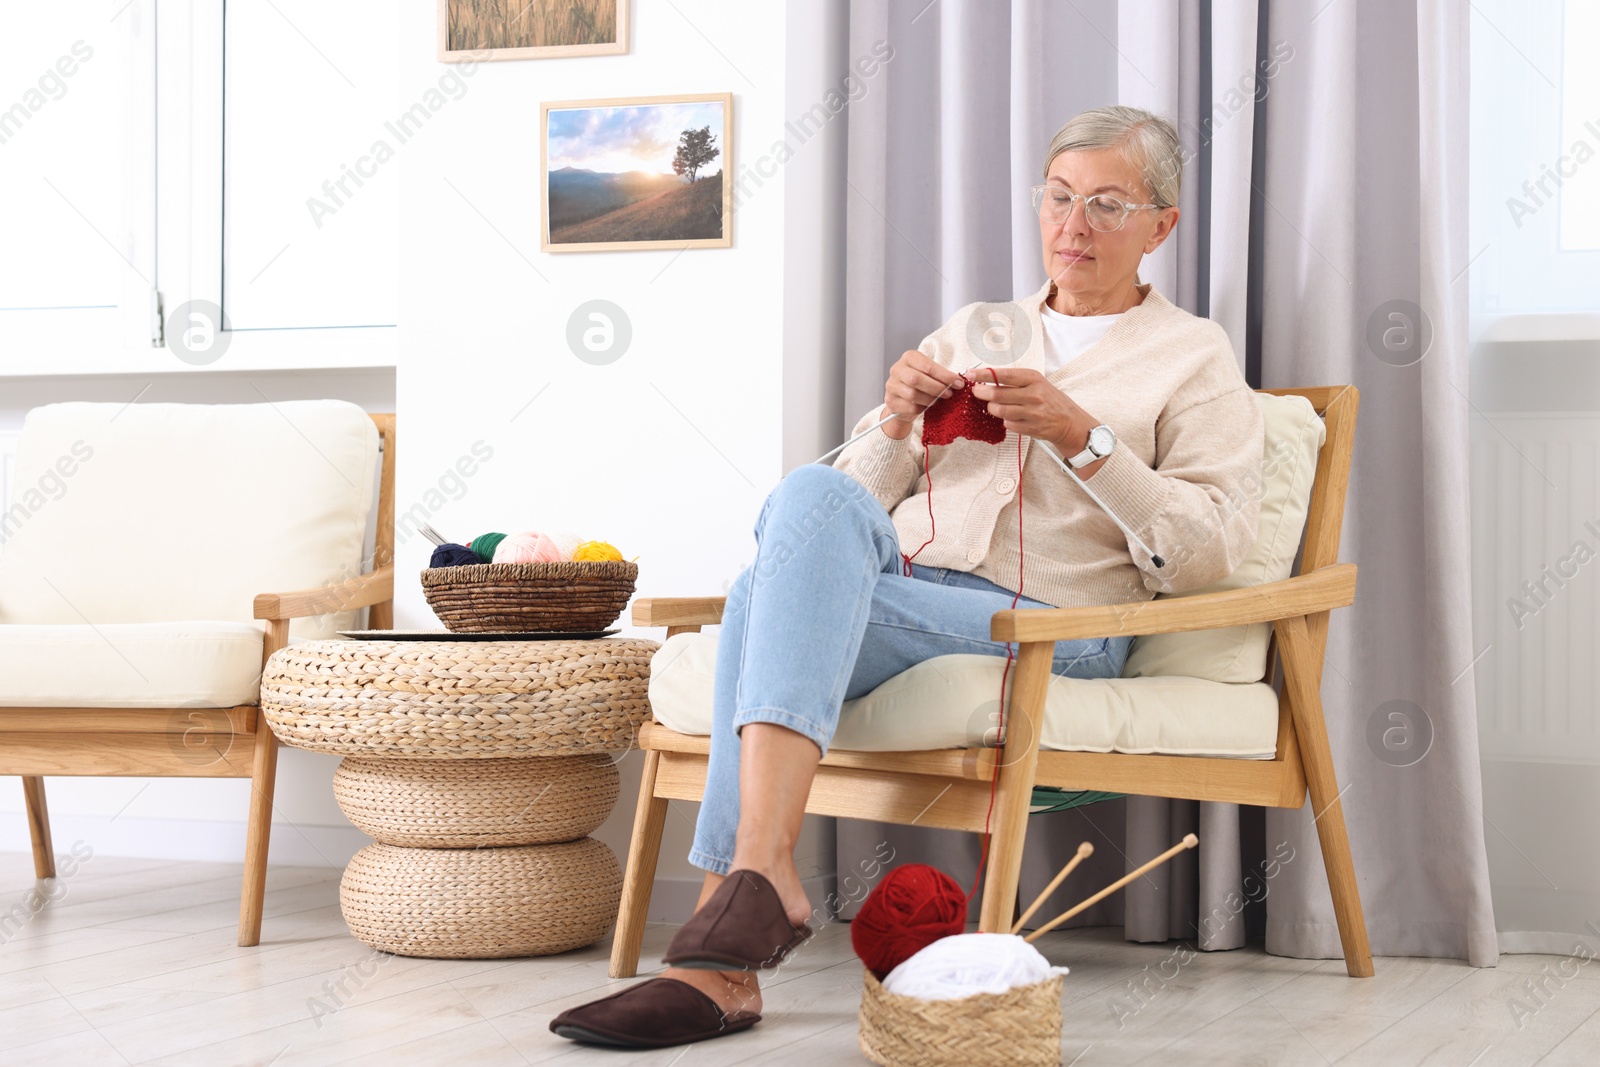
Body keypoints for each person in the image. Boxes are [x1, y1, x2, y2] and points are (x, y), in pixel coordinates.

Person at [550, 105, 1264, 1050]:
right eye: (1057, 197)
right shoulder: (981, 327)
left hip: (1055, 627)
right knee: (813, 493)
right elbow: (829, 519)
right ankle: (753, 893)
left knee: (762, 598)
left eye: (1105, 204)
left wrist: (1080, 438)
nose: (1071, 225)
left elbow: (1209, 550)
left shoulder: (1195, 355)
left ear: (1161, 226)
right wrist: (891, 425)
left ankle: (729, 928)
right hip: (908, 589)